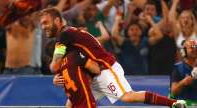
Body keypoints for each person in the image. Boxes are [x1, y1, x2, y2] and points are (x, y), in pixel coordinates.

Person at [39, 7, 187, 108]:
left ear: (58, 21)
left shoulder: (65, 35)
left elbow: (54, 65)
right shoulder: (71, 34)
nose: (43, 26)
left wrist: (57, 73)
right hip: (94, 73)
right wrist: (59, 75)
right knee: (71, 103)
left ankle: (173, 103)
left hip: (105, 69)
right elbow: (72, 60)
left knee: (128, 97)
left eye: (46, 22)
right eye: (41, 24)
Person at [170, 40, 197, 106]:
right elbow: (173, 92)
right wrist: (183, 82)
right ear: (184, 51)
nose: (195, 49)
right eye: (191, 47)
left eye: (196, 47)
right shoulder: (177, 68)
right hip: (184, 104)